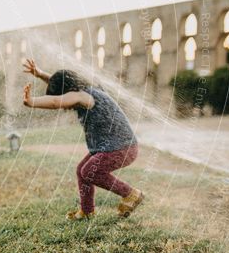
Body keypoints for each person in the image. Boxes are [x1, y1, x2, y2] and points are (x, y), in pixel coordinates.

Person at [22, 58, 144, 220]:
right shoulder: (85, 91)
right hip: (112, 147)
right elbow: (62, 88)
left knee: (88, 171)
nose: (64, 106)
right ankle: (87, 211)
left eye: (65, 99)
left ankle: (131, 194)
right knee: (82, 171)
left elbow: (55, 100)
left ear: (67, 92)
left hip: (121, 148)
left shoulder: (83, 97)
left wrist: (32, 102)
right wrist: (41, 74)